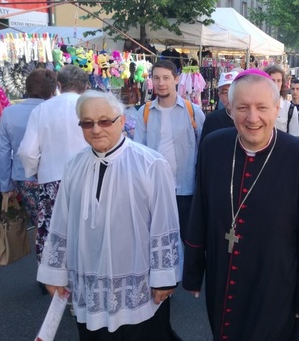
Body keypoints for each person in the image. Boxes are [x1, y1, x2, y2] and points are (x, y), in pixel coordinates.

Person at [183, 68, 299, 341]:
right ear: (230, 108)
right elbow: (199, 212)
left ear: (276, 108)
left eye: (262, 107)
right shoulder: (213, 147)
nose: (252, 118)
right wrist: (192, 272)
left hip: (274, 281)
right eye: (242, 107)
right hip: (221, 275)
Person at [37, 91, 184, 340]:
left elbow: (164, 223)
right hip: (88, 279)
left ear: (121, 121)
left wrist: (164, 278)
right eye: (87, 123)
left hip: (138, 284)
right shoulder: (74, 166)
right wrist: (55, 273)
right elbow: (61, 223)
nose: (96, 129)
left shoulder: (150, 163)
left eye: (104, 121)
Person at [18, 65, 89, 263]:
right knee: (89, 233)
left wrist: (34, 171)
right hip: (88, 178)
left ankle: (56, 281)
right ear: (84, 86)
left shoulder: (42, 109)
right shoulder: (91, 105)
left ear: (59, 85)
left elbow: (27, 151)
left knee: (54, 234)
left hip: (52, 179)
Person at [134, 60, 205, 241]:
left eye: (166, 78)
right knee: (155, 238)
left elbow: (202, 150)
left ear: (176, 80)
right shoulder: (145, 111)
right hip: (154, 189)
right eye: (156, 78)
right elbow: (139, 151)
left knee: (186, 239)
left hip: (185, 189)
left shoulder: (193, 111)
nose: (161, 83)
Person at [0, 69, 57, 235]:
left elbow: (4, 151)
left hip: (23, 177)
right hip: (53, 176)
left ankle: (42, 258)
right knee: (57, 225)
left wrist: (5, 185)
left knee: (39, 224)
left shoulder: (10, 113)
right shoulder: (54, 110)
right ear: (52, 90)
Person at [200, 70, 240, 144]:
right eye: (225, 92)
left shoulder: (250, 119)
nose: (229, 96)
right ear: (219, 96)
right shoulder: (212, 120)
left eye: (233, 90)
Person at [263, 65, 299, 136]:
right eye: (272, 80)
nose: (276, 84)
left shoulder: (290, 109)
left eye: (279, 81)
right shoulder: (257, 105)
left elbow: (294, 137)